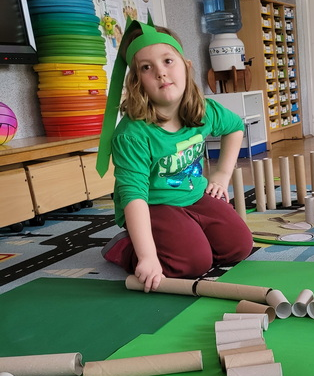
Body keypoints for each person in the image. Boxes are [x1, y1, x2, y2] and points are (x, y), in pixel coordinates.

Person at [98, 19, 253, 292]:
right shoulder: (132, 134)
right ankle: (125, 248)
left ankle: (185, 235)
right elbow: (133, 196)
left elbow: (235, 128)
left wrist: (221, 175)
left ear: (186, 66)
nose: (161, 72)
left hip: (194, 195)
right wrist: (147, 257)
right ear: (136, 82)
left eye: (168, 61)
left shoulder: (204, 109)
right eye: (147, 67)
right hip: (153, 204)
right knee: (192, 263)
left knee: (238, 246)